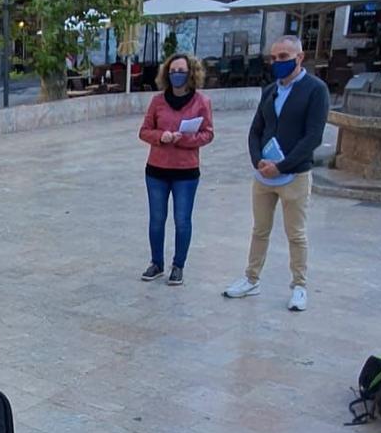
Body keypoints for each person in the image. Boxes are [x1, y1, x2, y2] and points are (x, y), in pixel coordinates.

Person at [224, 33, 330, 312]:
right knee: (260, 229)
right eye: (273, 57)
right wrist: (258, 160)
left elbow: (313, 136)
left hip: (293, 174)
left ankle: (299, 286)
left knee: (296, 233)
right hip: (264, 175)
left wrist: (281, 166)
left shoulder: (315, 90)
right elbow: (256, 130)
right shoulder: (270, 91)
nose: (277, 62)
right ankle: (251, 278)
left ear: (299, 57)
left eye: (283, 57)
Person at [137, 50, 214, 285]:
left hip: (186, 172)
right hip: (157, 169)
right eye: (172, 72)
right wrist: (162, 136)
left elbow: (208, 134)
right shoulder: (158, 101)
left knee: (182, 220)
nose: (176, 75)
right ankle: (156, 263)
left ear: (191, 73)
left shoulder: (202, 102)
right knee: (157, 218)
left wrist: (184, 139)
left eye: (181, 71)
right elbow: (144, 131)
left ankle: (178, 265)